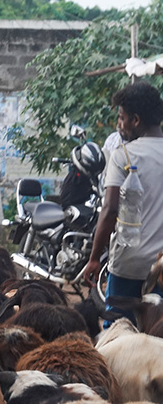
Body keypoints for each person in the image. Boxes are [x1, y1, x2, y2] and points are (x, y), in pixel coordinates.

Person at [83, 82, 163, 328]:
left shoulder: (124, 156)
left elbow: (109, 210)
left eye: (121, 118)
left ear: (135, 120)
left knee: (118, 332)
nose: (119, 124)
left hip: (130, 262)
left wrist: (95, 258)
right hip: (161, 268)